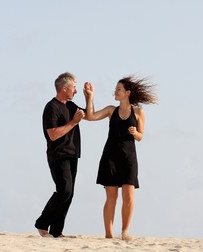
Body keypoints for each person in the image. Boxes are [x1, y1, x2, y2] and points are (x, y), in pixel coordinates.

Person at [83, 76, 157, 240]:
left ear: (127, 93)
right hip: (110, 156)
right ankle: (109, 235)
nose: (115, 92)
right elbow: (91, 116)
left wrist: (134, 132)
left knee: (129, 196)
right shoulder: (111, 110)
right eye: (115, 89)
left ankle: (124, 231)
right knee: (111, 197)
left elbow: (140, 136)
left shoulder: (138, 112)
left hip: (129, 158)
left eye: (118, 90)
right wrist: (89, 97)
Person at [35, 72, 88, 238]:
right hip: (58, 154)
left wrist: (89, 97)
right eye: (74, 88)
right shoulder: (51, 107)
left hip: (73, 153)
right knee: (64, 190)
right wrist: (73, 122)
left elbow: (90, 115)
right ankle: (42, 223)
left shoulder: (71, 106)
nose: (76, 91)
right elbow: (52, 134)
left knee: (69, 193)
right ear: (64, 88)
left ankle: (57, 231)